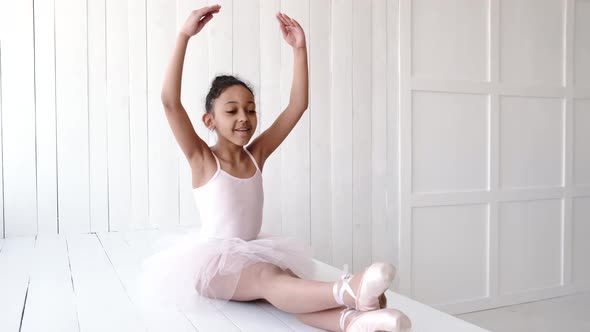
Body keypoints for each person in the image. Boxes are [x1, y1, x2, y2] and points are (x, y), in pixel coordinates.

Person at [139, 4, 412, 332]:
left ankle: (357, 321)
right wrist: (184, 35)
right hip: (215, 268)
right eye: (232, 110)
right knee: (269, 279)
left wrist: (300, 49)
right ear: (209, 120)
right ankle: (351, 289)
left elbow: (297, 105)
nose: (244, 117)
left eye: (250, 109)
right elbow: (170, 102)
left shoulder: (257, 155)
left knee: (287, 287)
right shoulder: (202, 159)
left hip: (253, 254)